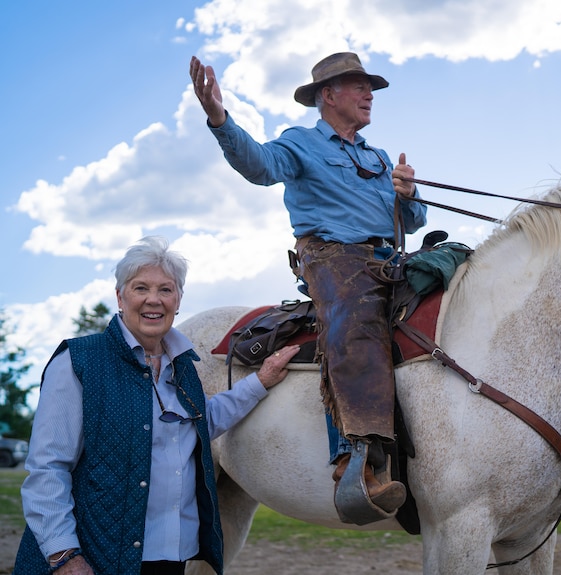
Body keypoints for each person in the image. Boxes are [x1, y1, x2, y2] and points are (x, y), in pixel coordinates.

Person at [189, 51, 427, 523]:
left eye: (370, 88)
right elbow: (258, 165)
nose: (368, 95)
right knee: (356, 317)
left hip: (386, 258)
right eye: (358, 86)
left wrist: (408, 195)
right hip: (332, 258)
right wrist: (219, 118)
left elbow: (412, 223)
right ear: (328, 95)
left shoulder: (377, 157)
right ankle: (355, 458)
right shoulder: (299, 143)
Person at [14, 236, 300, 575]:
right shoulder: (79, 361)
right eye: (140, 288)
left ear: (178, 300)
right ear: (120, 297)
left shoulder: (182, 366)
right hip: (95, 558)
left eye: (166, 290)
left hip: (172, 556)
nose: (154, 300)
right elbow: (48, 467)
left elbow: (201, 421)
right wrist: (63, 555)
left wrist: (260, 381)